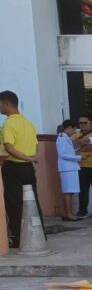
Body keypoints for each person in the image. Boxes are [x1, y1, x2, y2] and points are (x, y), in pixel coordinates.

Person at [0, 90, 44, 249]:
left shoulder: (8, 124)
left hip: (13, 167)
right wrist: (29, 158)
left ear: (5, 104)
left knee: (15, 203)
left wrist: (26, 158)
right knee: (32, 201)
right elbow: (36, 146)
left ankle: (20, 237)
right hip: (27, 168)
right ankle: (39, 234)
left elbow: (9, 148)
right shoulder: (28, 123)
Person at [55, 119, 83, 221]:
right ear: (69, 128)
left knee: (68, 192)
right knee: (68, 192)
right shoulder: (62, 138)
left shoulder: (65, 137)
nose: (74, 132)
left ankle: (65, 213)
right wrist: (79, 157)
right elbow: (62, 154)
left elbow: (67, 151)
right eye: (74, 129)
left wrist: (76, 149)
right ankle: (69, 214)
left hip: (69, 168)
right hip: (67, 168)